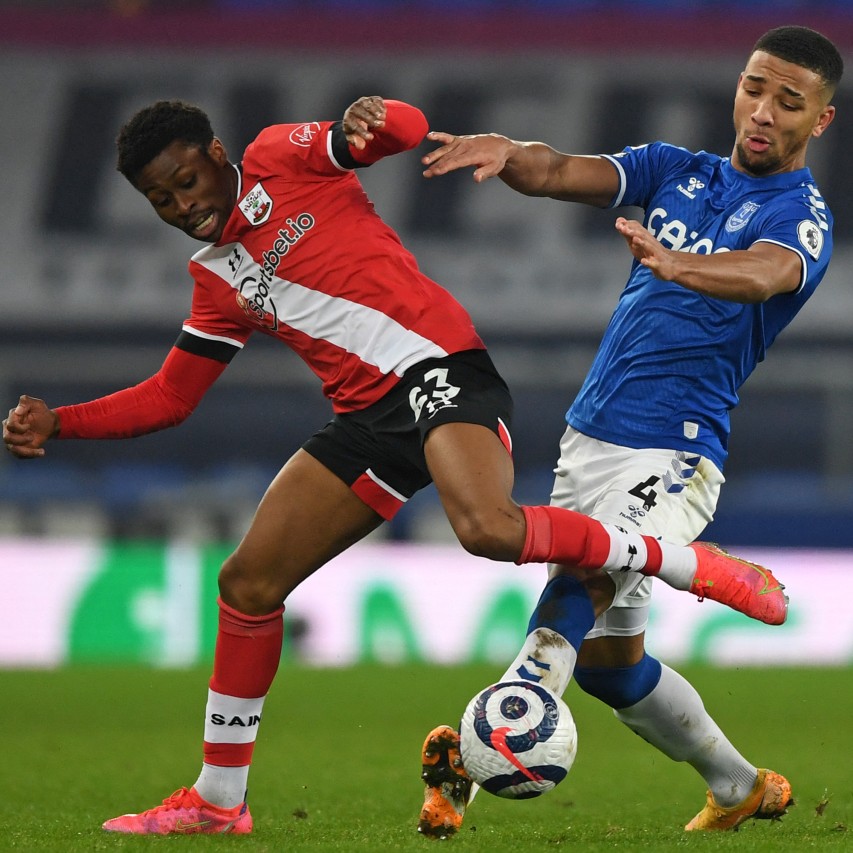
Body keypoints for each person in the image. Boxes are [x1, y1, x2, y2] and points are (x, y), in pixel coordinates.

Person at [4, 94, 785, 837]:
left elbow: (400, 132)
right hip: (367, 421)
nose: (182, 205)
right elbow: (170, 398)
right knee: (246, 584)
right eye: (160, 200)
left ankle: (679, 563)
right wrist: (62, 422)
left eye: (186, 180)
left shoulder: (277, 156)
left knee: (486, 529)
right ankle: (217, 800)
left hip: (441, 373)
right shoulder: (215, 279)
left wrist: (367, 121)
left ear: (215, 155)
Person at [415, 24, 842, 838]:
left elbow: (767, 272)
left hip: (675, 444)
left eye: (789, 102)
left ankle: (475, 755)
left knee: (580, 578)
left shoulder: (799, 213)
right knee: (612, 667)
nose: (761, 111)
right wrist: (508, 154)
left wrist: (681, 266)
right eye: (754, 86)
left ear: (818, 121)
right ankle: (740, 785)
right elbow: (563, 170)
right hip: (592, 435)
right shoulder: (674, 171)